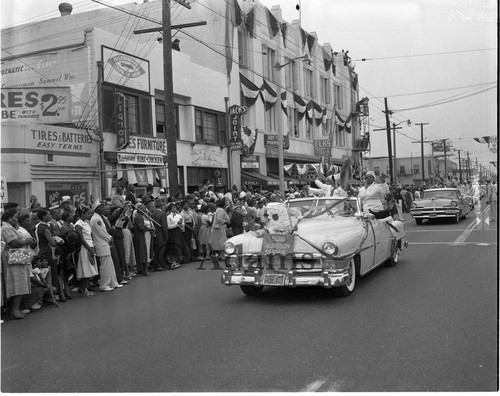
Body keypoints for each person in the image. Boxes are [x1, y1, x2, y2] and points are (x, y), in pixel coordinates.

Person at [1, 209, 36, 319]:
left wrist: (28, 240)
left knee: (21, 282)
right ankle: (14, 309)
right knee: (17, 283)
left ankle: (17, 308)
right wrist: (26, 241)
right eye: (15, 217)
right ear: (9, 218)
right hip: (13, 257)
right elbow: (14, 242)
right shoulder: (6, 228)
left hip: (20, 256)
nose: (17, 219)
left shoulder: (12, 228)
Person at [90, 201, 122, 292]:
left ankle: (113, 282)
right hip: (102, 244)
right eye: (100, 207)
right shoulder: (96, 219)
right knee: (105, 266)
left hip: (105, 244)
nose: (103, 209)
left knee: (110, 265)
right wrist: (110, 238)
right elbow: (102, 232)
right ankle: (104, 284)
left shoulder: (98, 217)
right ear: (96, 209)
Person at [74, 207, 98, 297]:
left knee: (89, 269)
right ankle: (84, 289)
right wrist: (89, 249)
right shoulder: (78, 224)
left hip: (90, 245)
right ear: (82, 214)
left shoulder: (86, 223)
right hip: (84, 248)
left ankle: (86, 288)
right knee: (85, 269)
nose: (89, 215)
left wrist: (93, 246)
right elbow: (81, 239)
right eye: (87, 213)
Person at [133, 204, 155, 275]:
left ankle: (147, 267)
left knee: (147, 251)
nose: (145, 210)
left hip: (148, 235)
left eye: (145, 209)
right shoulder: (137, 217)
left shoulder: (146, 216)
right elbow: (141, 227)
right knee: (143, 252)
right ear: (139, 210)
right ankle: (143, 269)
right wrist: (150, 229)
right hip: (142, 236)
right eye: (143, 209)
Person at [149, 198, 169, 270]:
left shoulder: (152, 214)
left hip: (154, 234)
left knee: (156, 250)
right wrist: (166, 236)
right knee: (161, 250)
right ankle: (159, 265)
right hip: (161, 235)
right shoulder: (163, 214)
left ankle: (156, 264)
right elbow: (164, 226)